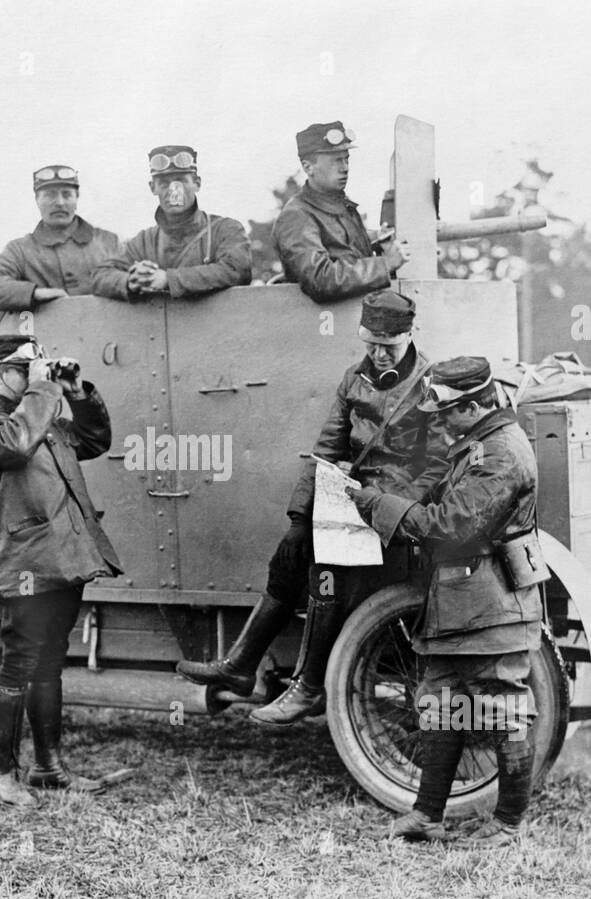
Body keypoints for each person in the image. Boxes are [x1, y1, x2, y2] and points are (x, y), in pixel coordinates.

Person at [177, 289, 447, 724]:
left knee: (325, 571)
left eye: (388, 346)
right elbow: (325, 452)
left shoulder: (431, 384)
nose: (378, 355)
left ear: (410, 336)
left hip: (399, 513)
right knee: (290, 556)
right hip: (355, 506)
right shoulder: (353, 379)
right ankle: (242, 665)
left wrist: (377, 501)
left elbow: (434, 465)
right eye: (370, 344)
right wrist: (299, 519)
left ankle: (310, 686)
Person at [347, 357, 544, 848]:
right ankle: (427, 816)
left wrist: (377, 505)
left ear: (476, 405)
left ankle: (507, 826)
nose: (438, 418)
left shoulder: (501, 455)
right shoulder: (478, 444)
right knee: (439, 707)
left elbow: (449, 528)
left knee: (502, 712)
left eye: (447, 410)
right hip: (460, 605)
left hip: (491, 606)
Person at [0, 333, 124, 807]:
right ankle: (2, 774)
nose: (34, 376)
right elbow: (14, 446)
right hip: (27, 565)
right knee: (17, 665)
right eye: (22, 369)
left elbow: (94, 439)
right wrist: (42, 390)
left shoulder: (40, 415)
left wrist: (75, 392)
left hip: (64, 560)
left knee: (50, 662)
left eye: (37, 367)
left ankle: (47, 767)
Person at [272, 121, 412, 303]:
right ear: (308, 167)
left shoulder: (344, 209)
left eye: (346, 159)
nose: (345, 167)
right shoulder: (297, 216)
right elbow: (320, 279)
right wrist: (385, 264)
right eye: (336, 160)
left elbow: (349, 258)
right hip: (325, 325)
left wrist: (378, 246)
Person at [91, 145, 251, 300]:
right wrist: (130, 280)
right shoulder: (144, 241)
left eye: (181, 181)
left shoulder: (225, 230)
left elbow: (236, 271)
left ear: (197, 183)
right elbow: (100, 275)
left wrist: (168, 279)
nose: (174, 190)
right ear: (153, 188)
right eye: (164, 183)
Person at [0, 164, 120, 312]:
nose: (59, 203)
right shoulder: (21, 250)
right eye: (49, 195)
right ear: (37, 200)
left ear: (77, 198)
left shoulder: (109, 242)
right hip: (47, 336)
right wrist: (35, 293)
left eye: (67, 195)